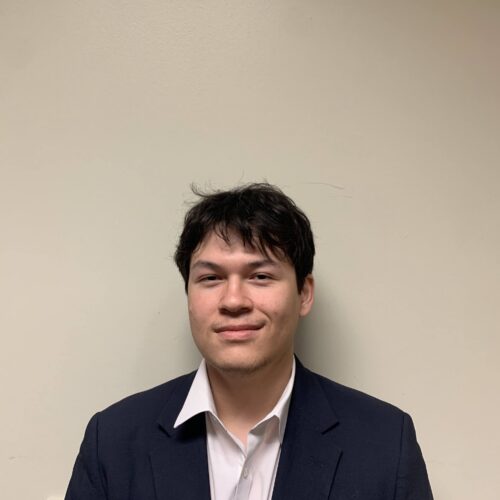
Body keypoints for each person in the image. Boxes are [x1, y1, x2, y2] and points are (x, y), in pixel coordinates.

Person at [65, 183, 433, 500]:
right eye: (210, 278)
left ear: (304, 294)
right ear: (189, 295)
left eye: (260, 276)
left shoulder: (385, 443)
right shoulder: (112, 441)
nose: (233, 301)